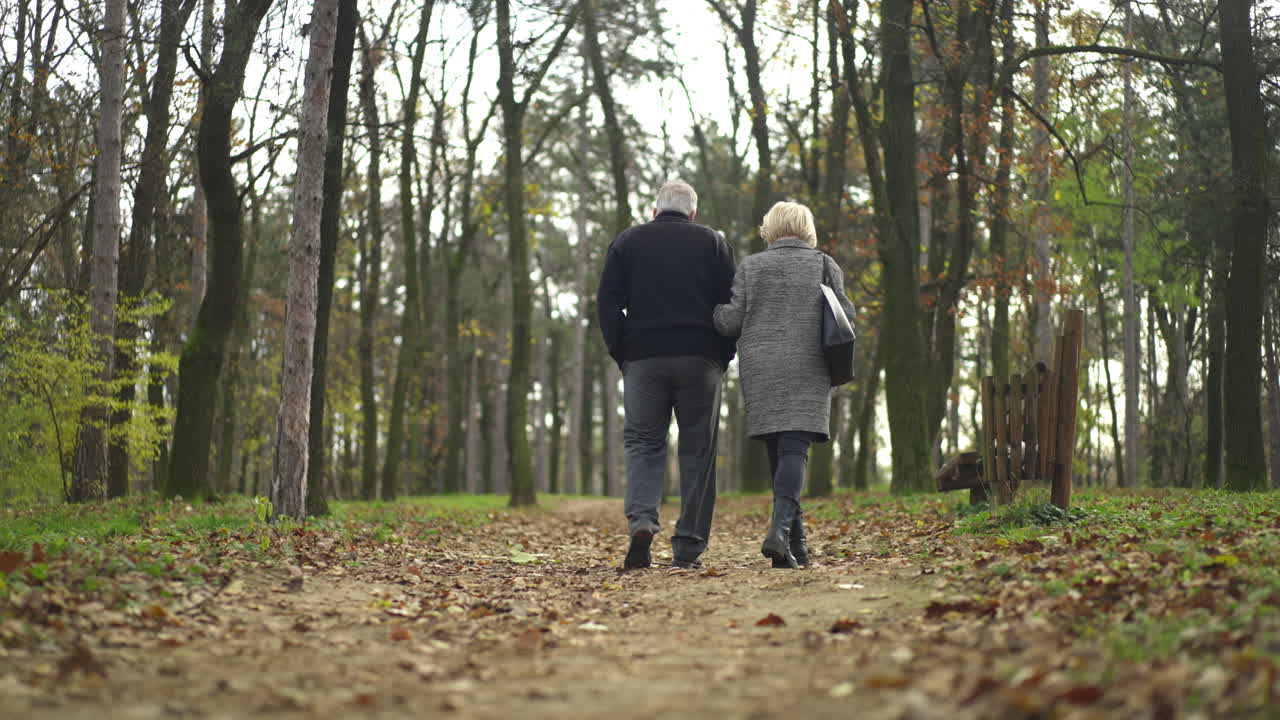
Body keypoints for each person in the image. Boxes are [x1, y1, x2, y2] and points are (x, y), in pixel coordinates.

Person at [597, 179, 736, 570]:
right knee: (698, 451)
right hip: (700, 358)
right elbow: (732, 303)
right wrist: (722, 354)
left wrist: (622, 352)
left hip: (643, 359)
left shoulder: (628, 241)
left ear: (655, 210)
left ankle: (642, 521)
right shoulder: (713, 242)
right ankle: (688, 545)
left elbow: (607, 302)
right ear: (692, 213)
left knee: (643, 443)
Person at [713, 201, 855, 569]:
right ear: (806, 228)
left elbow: (730, 322)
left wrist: (713, 310)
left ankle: (797, 549)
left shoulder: (752, 266)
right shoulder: (824, 264)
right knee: (794, 451)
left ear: (771, 227)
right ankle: (778, 535)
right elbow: (846, 317)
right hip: (809, 363)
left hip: (762, 365)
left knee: (780, 452)